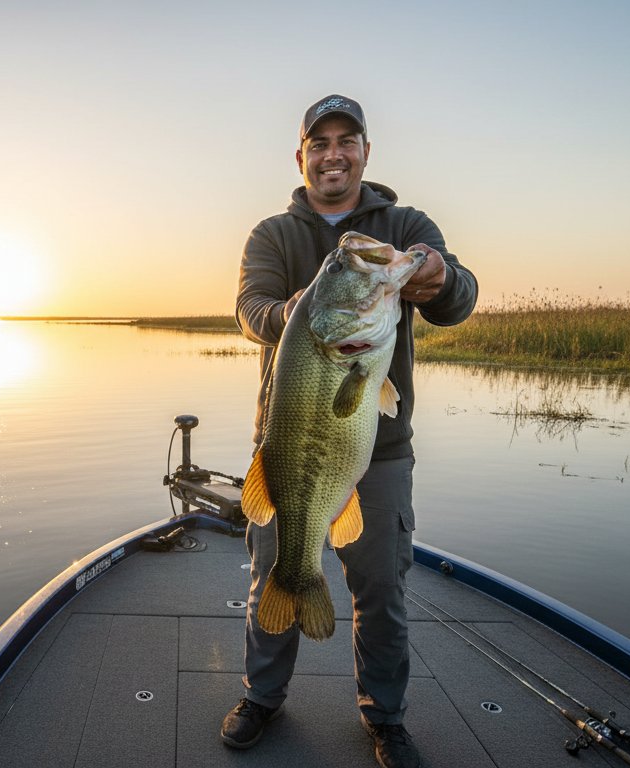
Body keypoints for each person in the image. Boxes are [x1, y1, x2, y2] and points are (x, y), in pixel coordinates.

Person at [222, 95, 478, 768]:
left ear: (365, 151)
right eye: (320, 142)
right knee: (273, 572)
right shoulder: (272, 234)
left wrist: (438, 275)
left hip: (382, 451)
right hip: (283, 448)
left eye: (347, 140)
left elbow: (458, 298)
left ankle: (385, 719)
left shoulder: (403, 223)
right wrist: (306, 312)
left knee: (382, 591)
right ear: (301, 155)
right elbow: (251, 309)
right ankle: (261, 696)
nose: (333, 153)